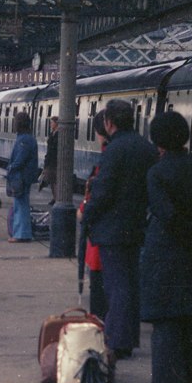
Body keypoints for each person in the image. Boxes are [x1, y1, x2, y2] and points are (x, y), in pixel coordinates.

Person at [138, 111, 192, 383]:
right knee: (189, 317)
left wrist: (186, 238)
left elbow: (165, 214)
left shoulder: (157, 172)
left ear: (158, 140)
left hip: (166, 251)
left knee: (165, 319)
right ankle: (191, 382)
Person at [81, 99, 158, 362]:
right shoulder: (146, 148)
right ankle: (128, 336)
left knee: (117, 286)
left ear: (109, 122)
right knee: (130, 282)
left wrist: (87, 215)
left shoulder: (114, 150)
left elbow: (103, 191)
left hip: (112, 228)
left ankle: (119, 340)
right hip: (136, 226)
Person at [78, 110, 109, 318]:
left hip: (101, 238)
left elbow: (96, 197)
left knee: (100, 290)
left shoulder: (108, 159)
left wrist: (83, 211)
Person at [5, 111, 40, 242]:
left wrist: (10, 167)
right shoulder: (28, 138)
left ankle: (21, 234)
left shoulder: (24, 140)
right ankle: (22, 233)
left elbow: (20, 159)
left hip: (21, 176)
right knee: (21, 204)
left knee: (20, 205)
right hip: (26, 176)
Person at [39, 116, 59, 206]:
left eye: (52, 122)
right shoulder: (52, 134)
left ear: (56, 123)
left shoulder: (59, 134)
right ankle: (55, 198)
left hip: (55, 160)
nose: (51, 124)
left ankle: (56, 198)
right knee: (52, 180)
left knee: (54, 180)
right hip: (50, 160)